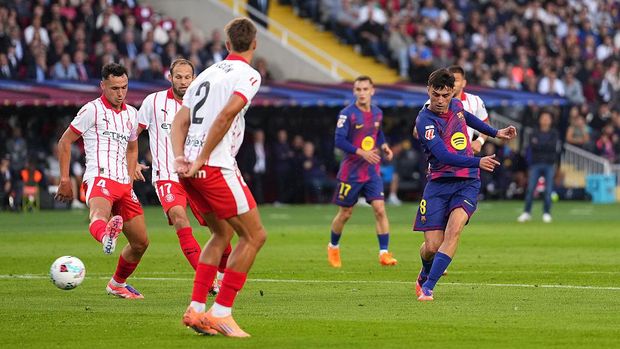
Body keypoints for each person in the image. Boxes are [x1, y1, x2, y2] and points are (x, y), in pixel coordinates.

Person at [171, 17, 266, 338]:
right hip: (214, 166)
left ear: (227, 45)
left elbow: (179, 121)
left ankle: (196, 309)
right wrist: (201, 157)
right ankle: (222, 313)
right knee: (254, 237)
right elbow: (226, 115)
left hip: (189, 169)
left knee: (220, 234)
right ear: (254, 44)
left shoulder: (207, 73)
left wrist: (180, 157)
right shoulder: (249, 74)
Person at [413, 68, 516, 301]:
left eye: (445, 95)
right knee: (431, 246)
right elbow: (442, 155)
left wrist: (495, 132)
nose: (440, 100)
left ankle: (428, 287)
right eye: (436, 94)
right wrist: (478, 162)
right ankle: (424, 272)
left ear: (452, 93)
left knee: (455, 229)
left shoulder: (457, 106)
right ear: (429, 90)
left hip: (467, 182)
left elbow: (469, 118)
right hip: (438, 183)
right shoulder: (424, 121)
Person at [134, 58, 231, 292]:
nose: (183, 81)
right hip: (167, 175)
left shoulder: (204, 105)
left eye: (187, 77)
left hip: (197, 174)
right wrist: (133, 161)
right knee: (179, 217)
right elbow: (133, 133)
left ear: (195, 78)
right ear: (170, 77)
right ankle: (206, 280)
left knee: (221, 229)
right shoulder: (153, 102)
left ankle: (223, 276)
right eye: (178, 77)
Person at [55, 63, 148, 299]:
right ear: (103, 86)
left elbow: (132, 148)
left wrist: (129, 179)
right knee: (99, 214)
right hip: (99, 176)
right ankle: (107, 236)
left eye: (124, 87)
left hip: (123, 184)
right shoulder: (91, 110)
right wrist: (65, 179)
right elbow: (65, 142)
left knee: (140, 243)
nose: (120, 93)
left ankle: (117, 284)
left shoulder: (132, 114)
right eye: (115, 88)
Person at [327, 75, 397, 268]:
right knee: (345, 213)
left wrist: (384, 147)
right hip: (351, 172)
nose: (362, 93)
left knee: (380, 209)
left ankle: (384, 253)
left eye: (365, 89)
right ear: (354, 92)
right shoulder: (347, 114)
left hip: (372, 171)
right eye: (358, 89)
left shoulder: (377, 113)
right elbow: (339, 141)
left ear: (372, 91)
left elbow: (378, 133)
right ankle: (333, 246)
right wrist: (362, 153)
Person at [517, 111, 560, 223]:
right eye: (543, 118)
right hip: (536, 164)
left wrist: (540, 144)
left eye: (547, 118)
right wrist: (543, 145)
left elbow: (551, 147)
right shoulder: (534, 132)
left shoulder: (554, 133)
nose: (545, 120)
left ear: (551, 120)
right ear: (540, 120)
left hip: (549, 164)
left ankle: (546, 213)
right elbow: (533, 146)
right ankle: (527, 212)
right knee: (530, 189)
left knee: (548, 189)